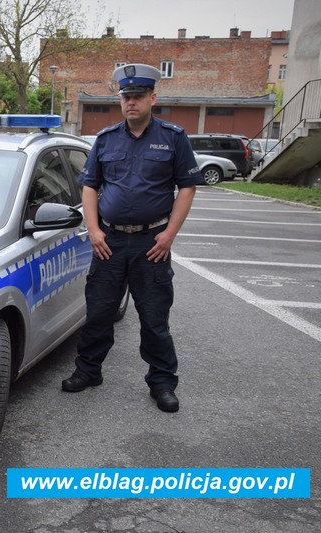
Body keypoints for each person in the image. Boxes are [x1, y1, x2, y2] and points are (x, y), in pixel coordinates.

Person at [61, 63, 203, 413]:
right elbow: (90, 186)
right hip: (109, 241)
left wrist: (169, 234)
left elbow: (187, 187)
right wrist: (93, 230)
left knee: (154, 318)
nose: (131, 103)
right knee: (98, 313)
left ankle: (162, 382)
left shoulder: (173, 137)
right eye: (126, 97)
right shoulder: (106, 139)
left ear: (153, 98)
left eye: (138, 97)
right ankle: (88, 371)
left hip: (150, 244)